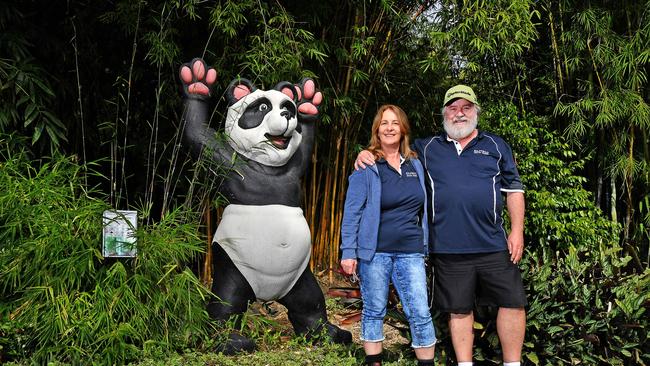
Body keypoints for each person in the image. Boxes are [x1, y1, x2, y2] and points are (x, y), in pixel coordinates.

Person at [355, 85, 527, 366]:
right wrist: (366, 152)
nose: (459, 114)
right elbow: (392, 147)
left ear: (476, 111)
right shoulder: (427, 147)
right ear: (444, 113)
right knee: (458, 310)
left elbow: (514, 190)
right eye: (453, 108)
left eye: (466, 107)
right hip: (448, 247)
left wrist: (517, 230)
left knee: (513, 303)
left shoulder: (496, 145)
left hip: (494, 243)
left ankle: (513, 364)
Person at [341, 104, 436, 366]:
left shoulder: (415, 164)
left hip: (411, 251)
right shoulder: (367, 165)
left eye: (395, 122)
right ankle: (374, 361)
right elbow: (352, 212)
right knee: (373, 310)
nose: (390, 127)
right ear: (377, 130)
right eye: (384, 123)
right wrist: (348, 252)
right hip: (375, 252)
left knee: (420, 311)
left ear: (403, 128)